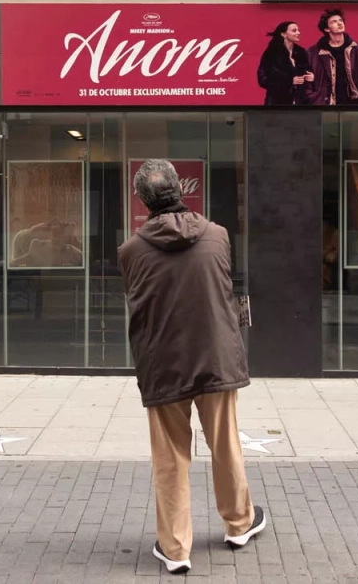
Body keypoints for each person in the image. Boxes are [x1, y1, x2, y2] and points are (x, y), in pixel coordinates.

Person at [118, 159, 266, 575]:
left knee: (169, 457)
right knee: (225, 444)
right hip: (216, 355)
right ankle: (239, 524)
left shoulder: (130, 251)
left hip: (163, 362)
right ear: (180, 191)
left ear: (143, 200)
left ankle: (175, 548)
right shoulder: (217, 236)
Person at [310, 9, 358, 105]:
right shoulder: (315, 52)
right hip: (328, 102)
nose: (339, 23)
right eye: (334, 22)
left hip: (353, 101)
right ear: (327, 29)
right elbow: (309, 81)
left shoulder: (356, 48)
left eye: (340, 20)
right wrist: (315, 100)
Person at [257, 21, 315, 105]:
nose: (298, 33)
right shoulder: (272, 53)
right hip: (277, 104)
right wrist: (289, 81)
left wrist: (311, 77)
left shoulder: (301, 52)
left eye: (298, 30)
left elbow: (308, 71)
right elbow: (263, 79)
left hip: (301, 102)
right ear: (283, 34)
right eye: (294, 30)